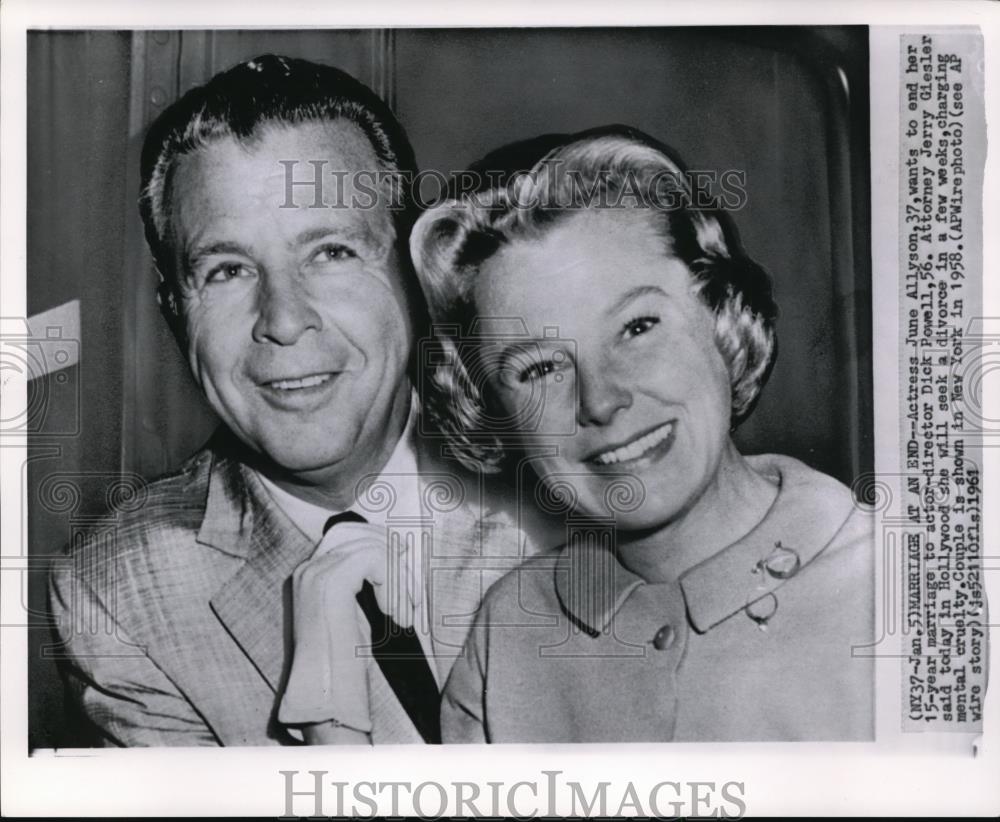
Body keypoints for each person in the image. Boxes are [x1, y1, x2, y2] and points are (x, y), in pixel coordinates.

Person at [48, 54, 551, 747]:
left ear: (414, 271)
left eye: (332, 253)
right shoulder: (123, 593)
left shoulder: (569, 478)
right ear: (173, 311)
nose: (283, 319)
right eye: (226, 270)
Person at [410, 125, 876, 742]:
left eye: (637, 327)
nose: (601, 400)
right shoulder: (509, 634)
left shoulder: (902, 587)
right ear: (490, 409)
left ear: (722, 316)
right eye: (541, 368)